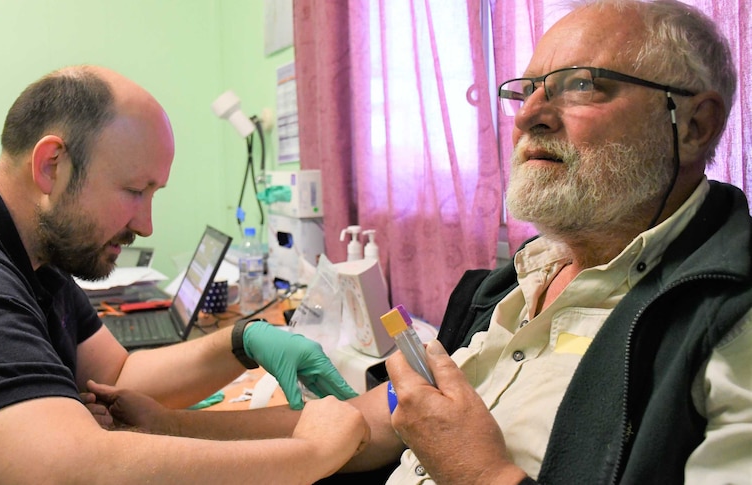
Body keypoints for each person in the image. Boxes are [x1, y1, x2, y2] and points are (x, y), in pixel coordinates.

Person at [89, 0, 752, 483]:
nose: (528, 114)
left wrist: (481, 472)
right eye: (524, 90)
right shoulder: (517, 282)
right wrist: (173, 425)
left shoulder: (727, 321)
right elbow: (378, 420)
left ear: (692, 124)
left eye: (581, 85)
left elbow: (449, 445)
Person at [0, 65, 368, 484]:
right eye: (135, 190)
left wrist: (242, 343)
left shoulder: (31, 245)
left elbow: (118, 375)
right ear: (51, 165)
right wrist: (311, 455)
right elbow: (68, 472)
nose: (146, 224)